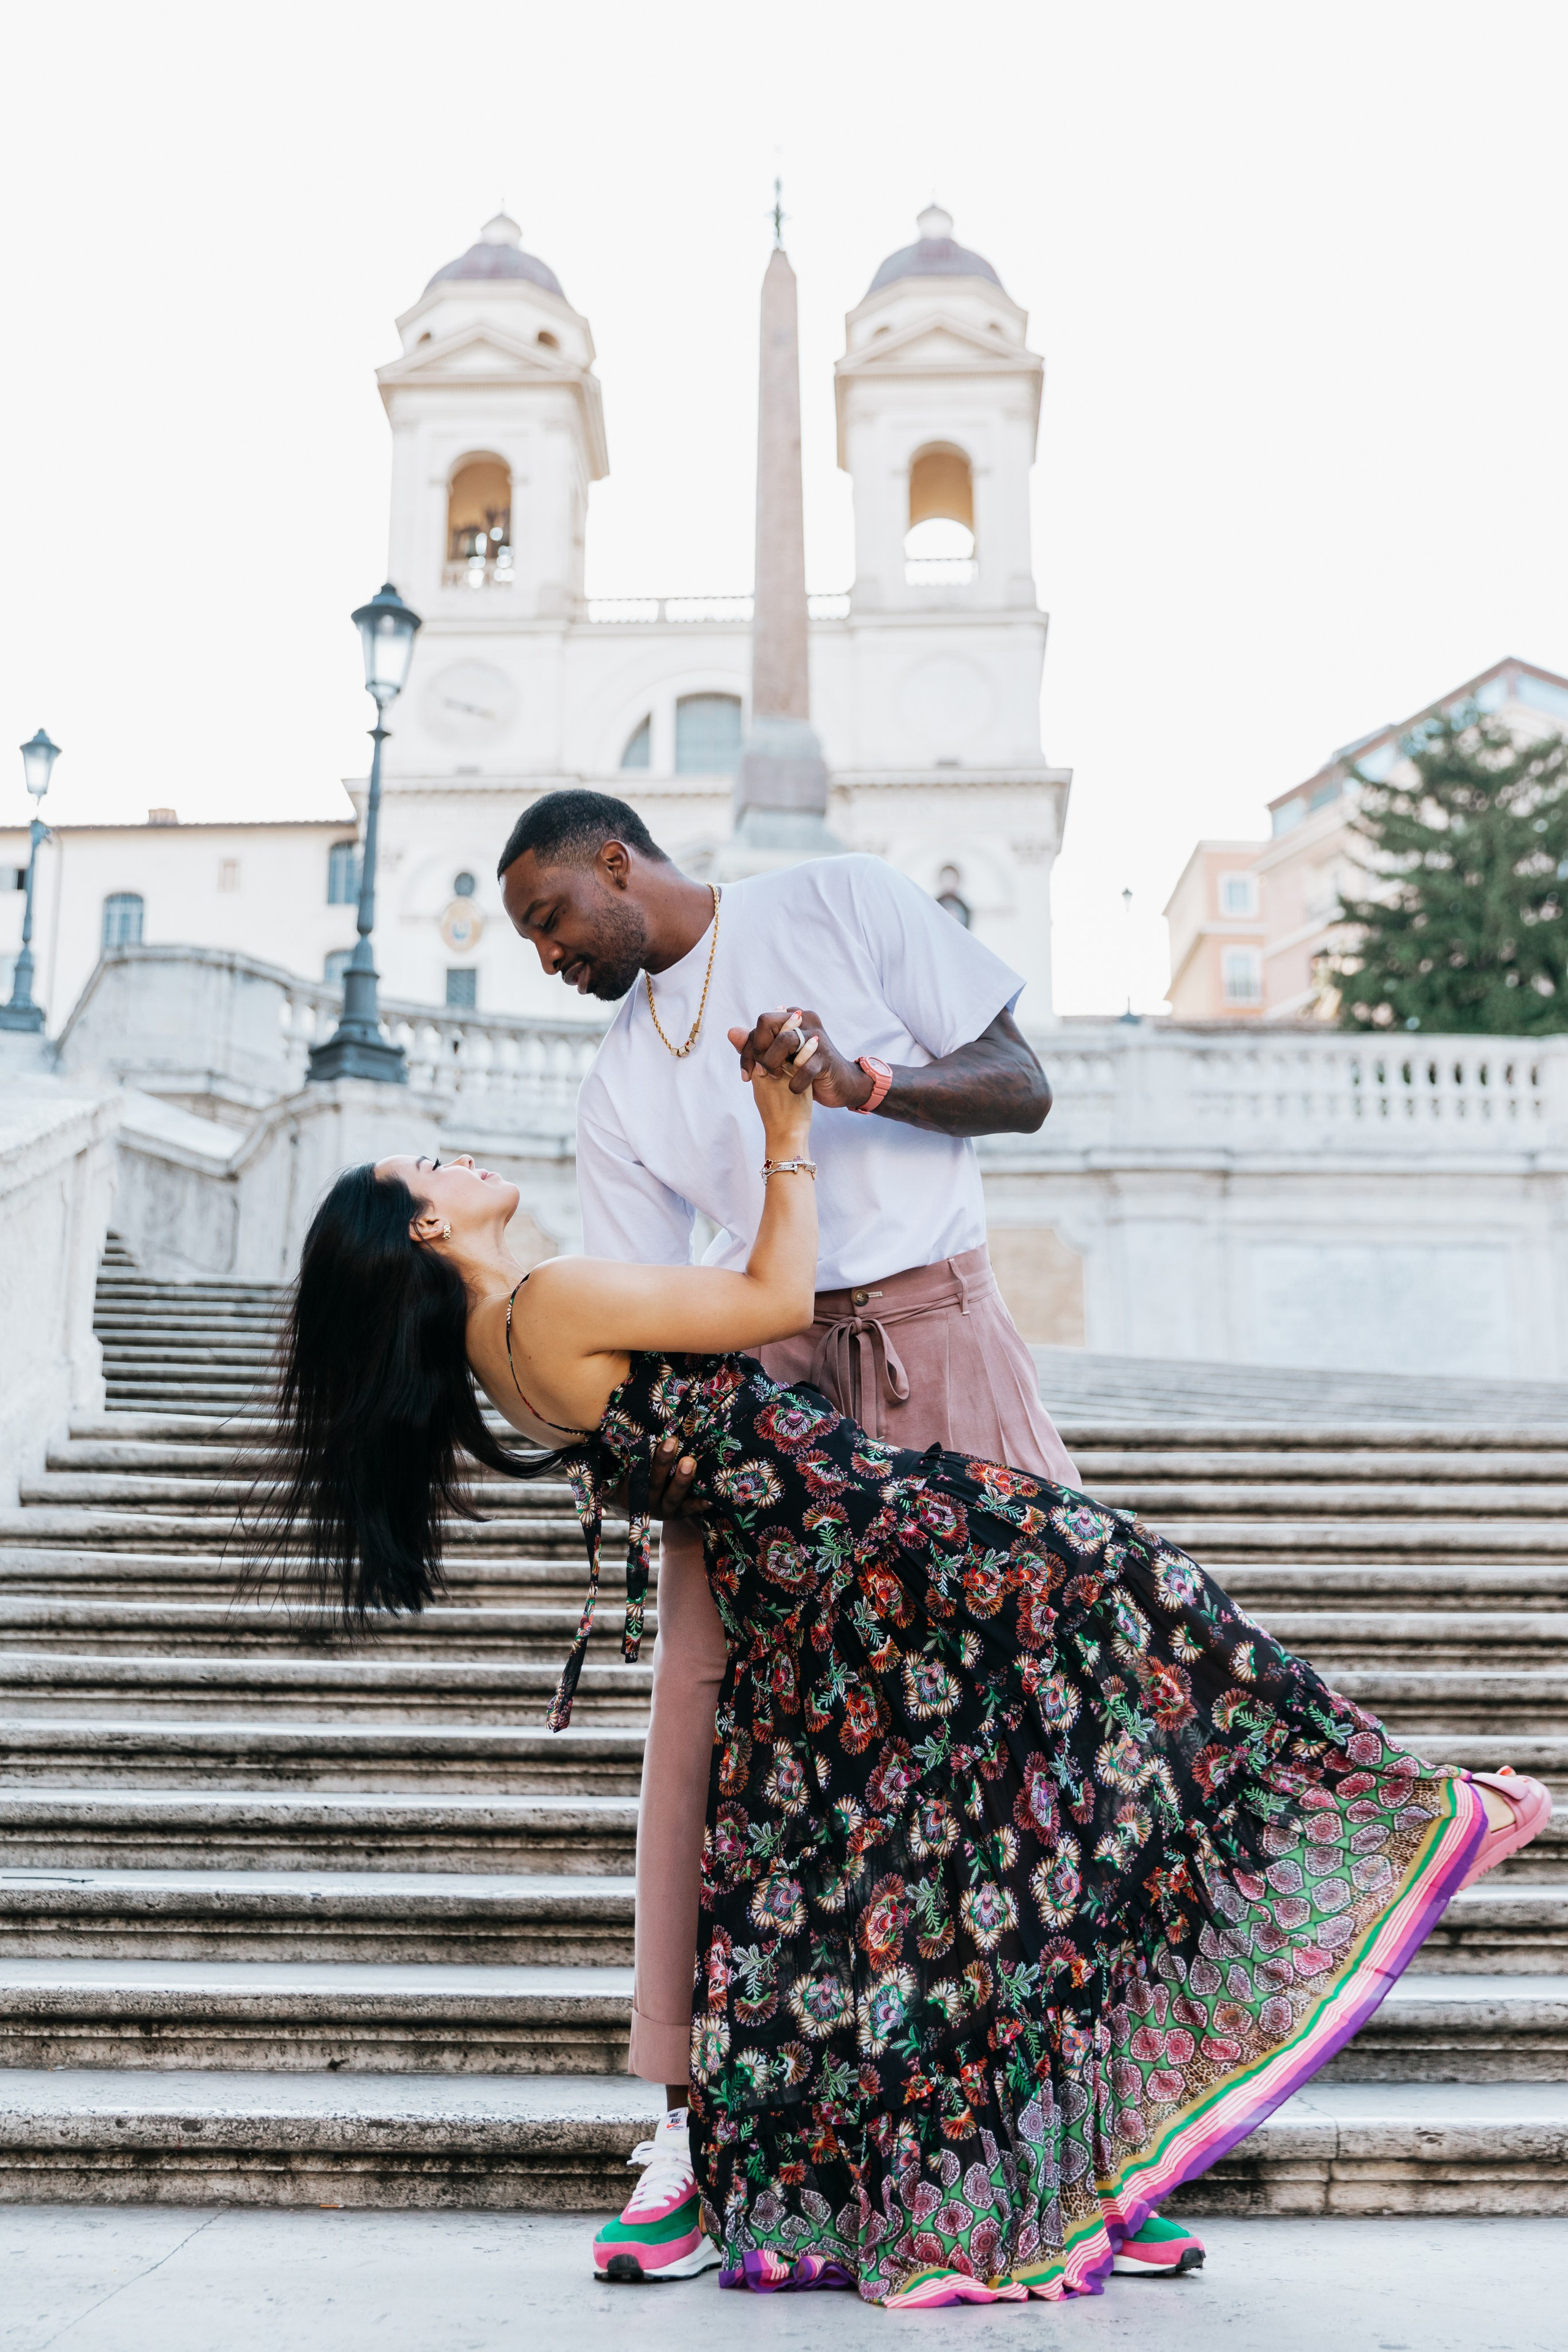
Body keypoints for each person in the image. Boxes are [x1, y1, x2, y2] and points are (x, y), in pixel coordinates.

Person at [249, 1067, 1549, 2308]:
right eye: (431, 1163)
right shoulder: (550, 1299)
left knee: (934, 1849)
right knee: (1137, 1593)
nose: (459, 1155)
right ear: (424, 1222)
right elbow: (771, 1299)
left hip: (808, 1597)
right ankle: (1406, 1808)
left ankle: (1032, 2155)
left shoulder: (499, 1353)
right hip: (879, 1536)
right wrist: (778, 1122)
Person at [496, 790, 1172, 2280]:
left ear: (618, 861)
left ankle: (1095, 2137)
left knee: (1050, 1711)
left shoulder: (843, 901)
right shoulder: (617, 1078)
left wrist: (860, 1080)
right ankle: (680, 2132)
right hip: (761, 1391)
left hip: (939, 1319)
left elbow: (1020, 1084)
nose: (546, 954)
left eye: (550, 917)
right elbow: (640, 1287)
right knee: (701, 1716)